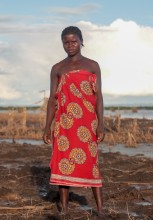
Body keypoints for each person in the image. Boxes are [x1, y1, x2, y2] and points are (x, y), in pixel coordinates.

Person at [43, 26, 105, 216]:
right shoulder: (57, 68)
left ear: (81, 41)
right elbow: (53, 99)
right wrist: (47, 127)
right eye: (66, 42)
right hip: (65, 124)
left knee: (92, 165)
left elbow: (99, 97)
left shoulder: (92, 66)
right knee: (64, 163)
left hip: (87, 123)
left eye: (73, 41)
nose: (70, 45)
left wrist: (101, 124)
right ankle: (64, 209)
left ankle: (101, 210)